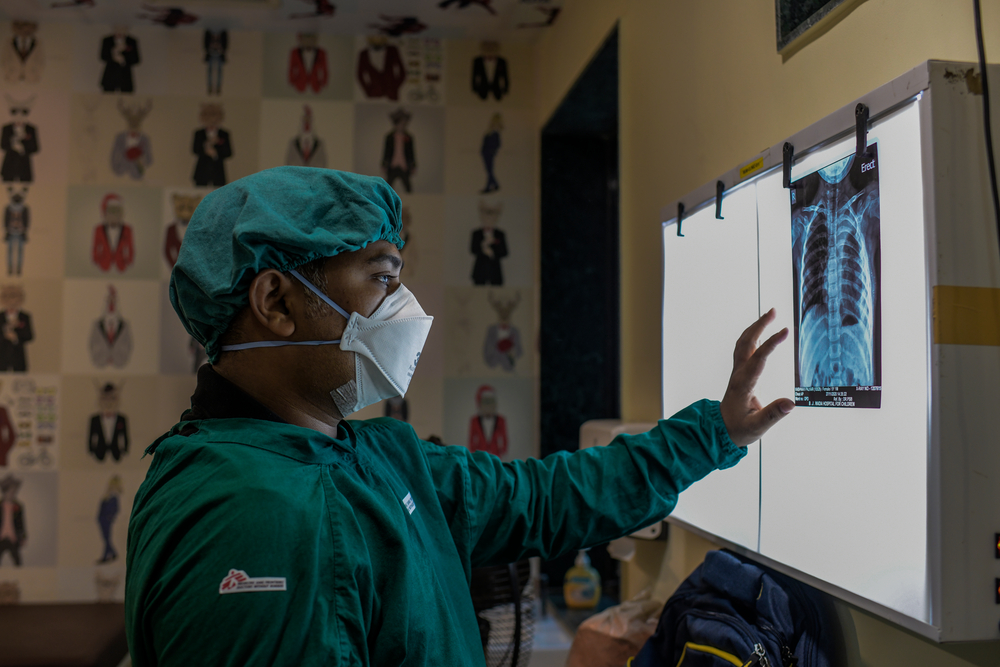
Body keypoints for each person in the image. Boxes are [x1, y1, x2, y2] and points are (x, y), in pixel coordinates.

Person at [125, 166, 793, 666]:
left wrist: (716, 430)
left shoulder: (375, 455)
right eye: (381, 277)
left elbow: (540, 498)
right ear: (276, 299)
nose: (403, 308)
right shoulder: (251, 519)